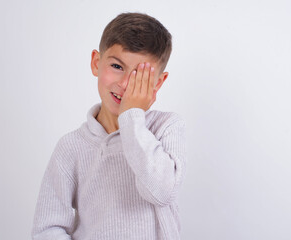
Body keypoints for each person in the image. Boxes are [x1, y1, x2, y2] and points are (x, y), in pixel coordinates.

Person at [31, 12, 187, 240]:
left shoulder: (167, 128)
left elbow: (161, 192)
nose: (124, 84)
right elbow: (47, 228)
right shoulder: (71, 147)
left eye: (140, 76)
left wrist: (132, 117)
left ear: (158, 83)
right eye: (116, 66)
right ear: (96, 62)